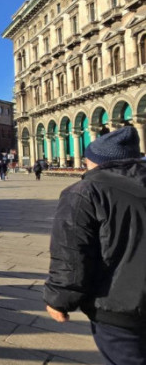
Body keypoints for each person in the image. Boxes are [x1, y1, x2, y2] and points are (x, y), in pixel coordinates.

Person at [44, 127, 146, 364]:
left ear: (95, 161)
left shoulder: (85, 192)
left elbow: (71, 252)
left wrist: (59, 299)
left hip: (118, 309)